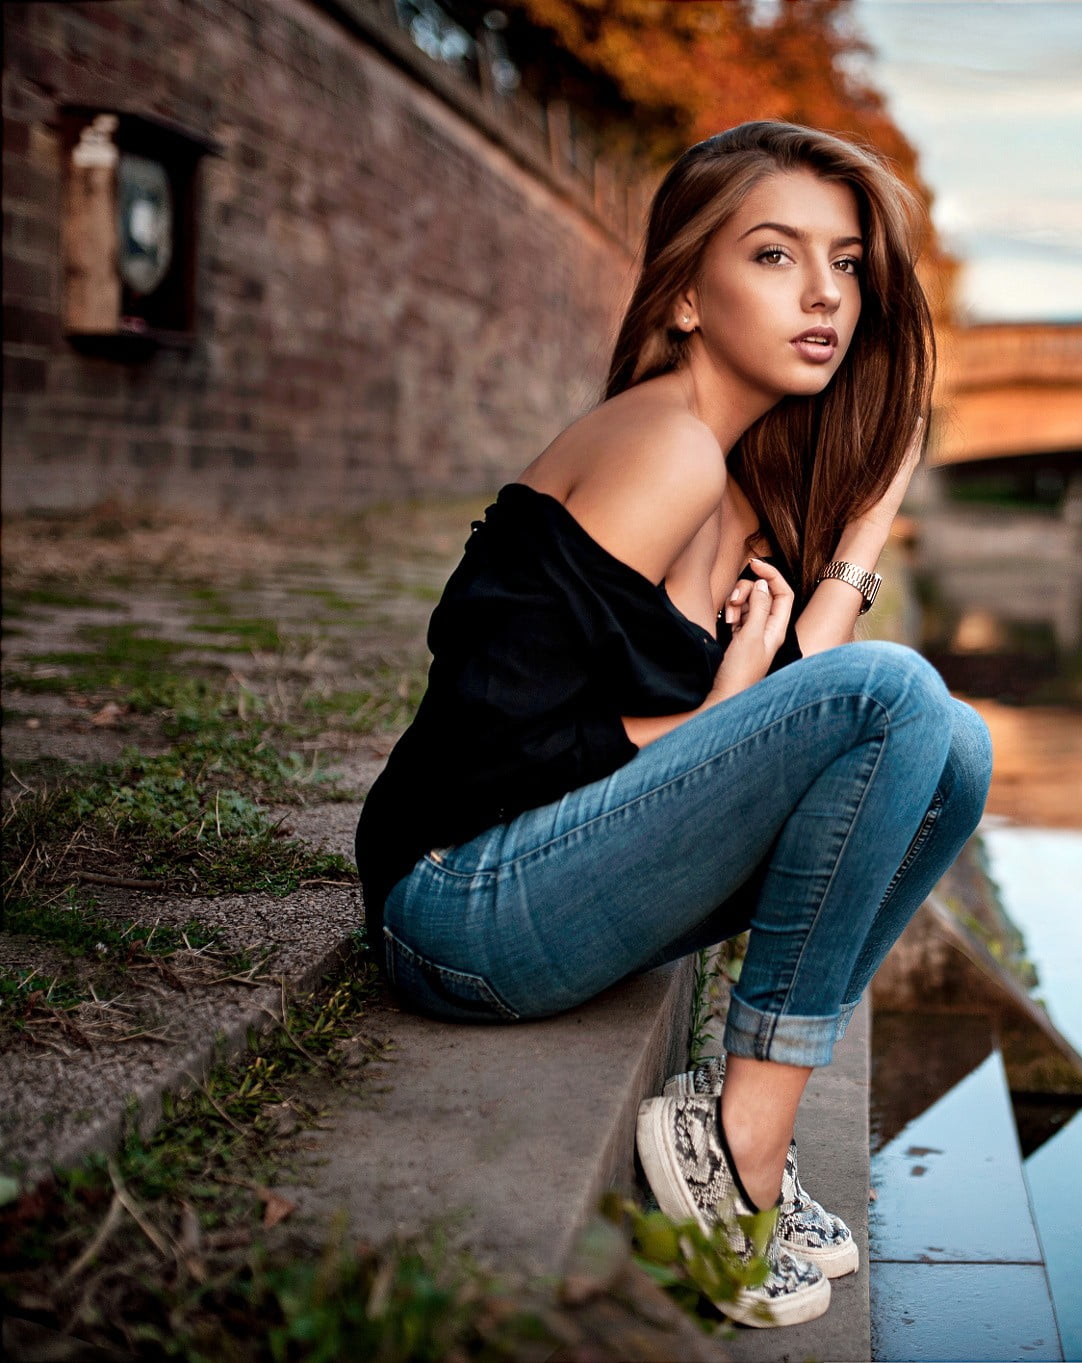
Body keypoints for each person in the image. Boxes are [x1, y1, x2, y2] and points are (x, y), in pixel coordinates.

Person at [351, 120, 994, 1329]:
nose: (824, 294)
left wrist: (864, 525)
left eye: (848, 263)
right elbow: (497, 752)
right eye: (774, 255)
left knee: (953, 748)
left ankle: (744, 1117)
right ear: (686, 293)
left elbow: (829, 746)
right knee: (901, 692)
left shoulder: (744, 484)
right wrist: (715, 711)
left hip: (552, 882)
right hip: (454, 902)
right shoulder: (665, 448)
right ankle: (740, 1128)